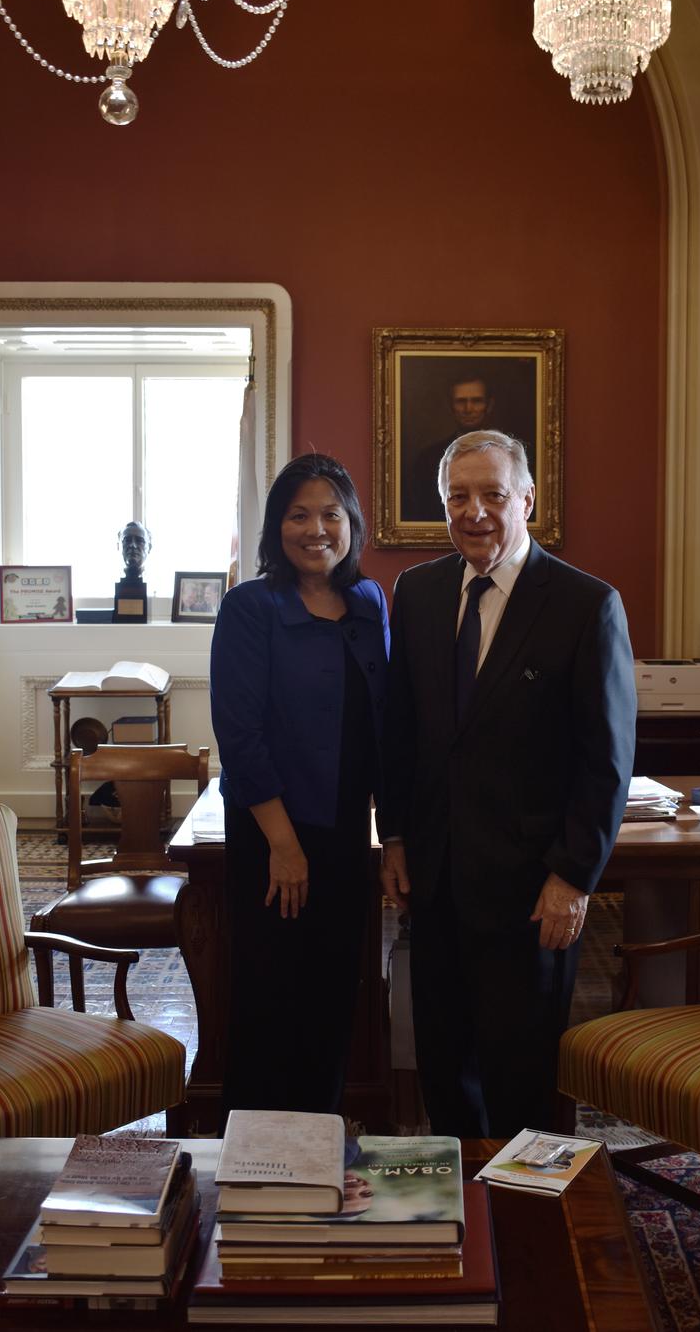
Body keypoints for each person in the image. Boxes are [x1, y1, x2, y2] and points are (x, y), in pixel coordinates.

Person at [380, 429, 636, 1138]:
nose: (475, 511)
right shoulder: (421, 591)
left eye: (493, 494)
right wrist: (394, 834)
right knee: (442, 1064)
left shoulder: (586, 604)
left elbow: (605, 759)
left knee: (521, 1074)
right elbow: (401, 730)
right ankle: (465, 1213)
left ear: (527, 499)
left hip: (531, 889)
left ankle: (524, 1228)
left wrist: (573, 878)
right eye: (458, 497)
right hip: (434, 881)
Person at [210, 453, 389, 1124]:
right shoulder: (250, 607)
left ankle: (318, 1145)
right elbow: (241, 735)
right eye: (299, 514)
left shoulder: (369, 603)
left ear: (352, 525)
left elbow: (382, 725)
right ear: (276, 526)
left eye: (331, 514)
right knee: (271, 1000)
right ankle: (253, 1165)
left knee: (333, 995)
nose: (317, 528)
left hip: (345, 833)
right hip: (273, 834)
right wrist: (284, 845)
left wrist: (389, 831)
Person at [404, 373, 535, 522]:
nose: (468, 408)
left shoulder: (515, 457)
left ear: (489, 405)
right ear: (450, 406)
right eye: (461, 401)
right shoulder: (427, 458)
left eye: (477, 401)